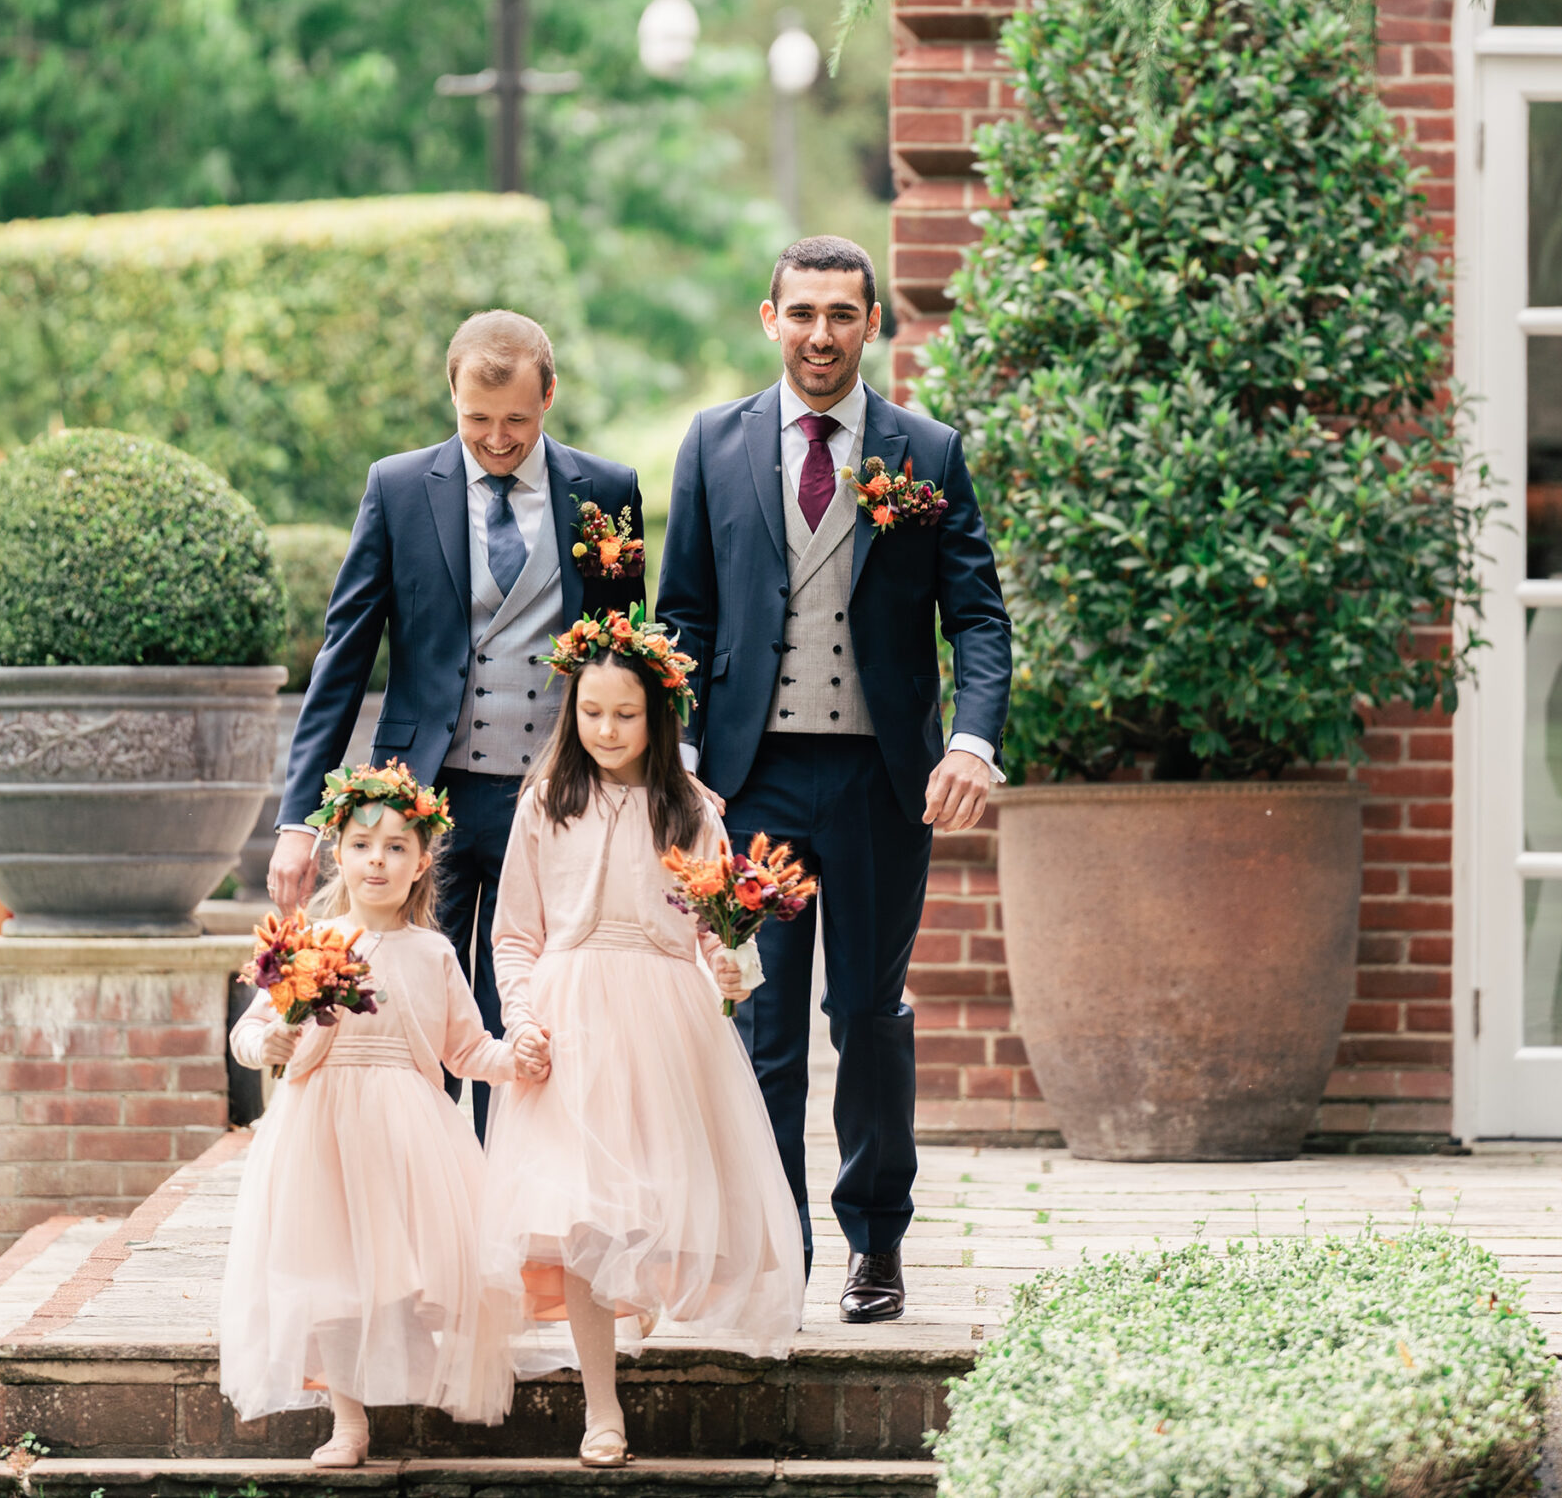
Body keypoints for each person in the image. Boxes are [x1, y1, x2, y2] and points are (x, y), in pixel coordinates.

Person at [656, 235, 1012, 1324]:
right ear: (770, 318)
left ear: (872, 324)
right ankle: (775, 1253)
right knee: (762, 1028)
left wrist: (972, 742)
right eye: (801, 312)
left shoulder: (927, 450)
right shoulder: (711, 444)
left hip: (877, 784)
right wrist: (674, 756)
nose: (820, 335)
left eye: (842, 315)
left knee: (867, 1015)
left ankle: (875, 1246)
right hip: (748, 787)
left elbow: (979, 619)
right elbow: (683, 616)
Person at [267, 309, 644, 1134]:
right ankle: (433, 1207)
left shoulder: (606, 494)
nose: (497, 439)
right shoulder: (398, 488)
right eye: (477, 420)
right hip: (423, 806)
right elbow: (343, 657)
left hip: (557, 802)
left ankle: (516, 1211)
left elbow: (629, 661)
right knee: (415, 1013)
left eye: (516, 419)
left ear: (549, 395)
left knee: (532, 1013)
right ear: (452, 396)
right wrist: (299, 819)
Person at [483, 611, 806, 1468]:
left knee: (659, 1203)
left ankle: (643, 1312)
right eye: (591, 713)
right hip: (570, 1018)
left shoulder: (693, 809)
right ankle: (601, 1405)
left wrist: (737, 965)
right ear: (571, 710)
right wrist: (521, 1014)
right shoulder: (546, 801)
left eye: (625, 714)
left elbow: (717, 925)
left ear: (659, 715)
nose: (607, 730)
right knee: (583, 1215)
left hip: (664, 1022)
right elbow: (515, 931)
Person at [220, 763, 546, 1466]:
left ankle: (420, 1373)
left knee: (414, 1265)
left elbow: (466, 1046)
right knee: (332, 1273)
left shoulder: (433, 951)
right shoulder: (308, 939)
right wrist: (269, 1041)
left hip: (408, 1130)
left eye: (398, 846)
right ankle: (348, 1419)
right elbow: (248, 1033)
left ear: (423, 861)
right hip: (321, 1127)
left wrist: (514, 1059)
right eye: (364, 844)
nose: (379, 859)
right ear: (338, 851)